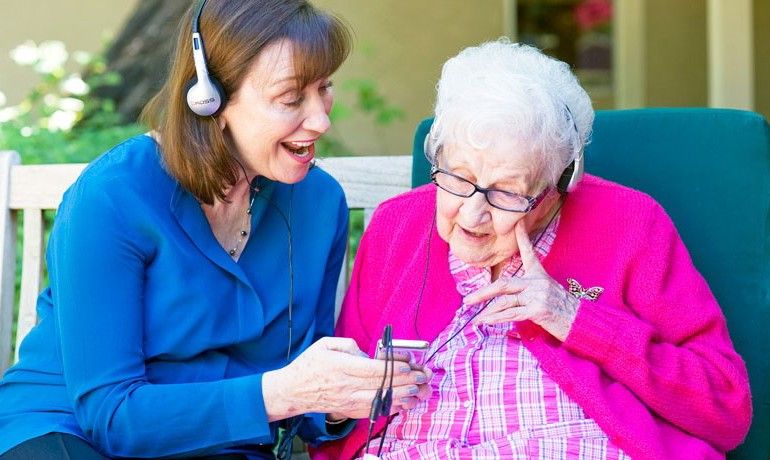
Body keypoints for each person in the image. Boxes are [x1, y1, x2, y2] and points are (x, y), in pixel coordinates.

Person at [0, 1, 431, 459]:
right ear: (210, 99)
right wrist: (283, 393)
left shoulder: (318, 203)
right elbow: (111, 415)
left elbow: (300, 382)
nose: (321, 119)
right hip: (70, 431)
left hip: (221, 442)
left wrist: (343, 398)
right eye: (290, 99)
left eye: (324, 88)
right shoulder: (112, 197)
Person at [312, 39, 752, 460]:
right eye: (458, 177)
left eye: (506, 193)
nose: (471, 215)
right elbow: (332, 426)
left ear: (558, 188)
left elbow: (725, 406)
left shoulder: (630, 224)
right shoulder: (397, 226)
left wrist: (571, 316)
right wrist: (339, 407)